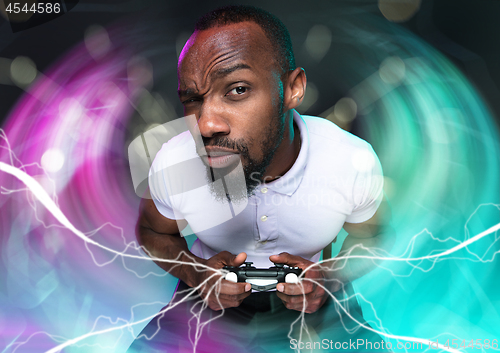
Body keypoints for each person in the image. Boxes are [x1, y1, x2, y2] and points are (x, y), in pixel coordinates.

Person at [128, 5, 394, 352]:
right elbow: (152, 230)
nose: (207, 125)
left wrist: (330, 277)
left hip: (315, 297)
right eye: (193, 99)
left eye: (237, 90)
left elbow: (370, 235)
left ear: (293, 88)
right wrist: (196, 275)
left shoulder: (350, 159)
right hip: (209, 294)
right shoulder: (176, 160)